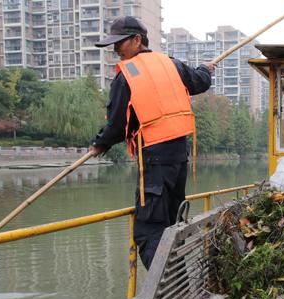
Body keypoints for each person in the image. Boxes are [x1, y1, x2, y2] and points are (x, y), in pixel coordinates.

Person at [88, 16, 215, 269]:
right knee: (171, 226)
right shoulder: (171, 64)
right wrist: (205, 69)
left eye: (119, 43)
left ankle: (170, 294)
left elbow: (117, 125)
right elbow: (199, 82)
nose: (115, 50)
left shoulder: (128, 74)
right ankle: (179, 290)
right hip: (178, 159)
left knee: (149, 233)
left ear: (137, 40)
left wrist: (100, 144)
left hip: (155, 162)